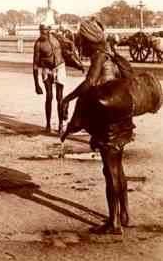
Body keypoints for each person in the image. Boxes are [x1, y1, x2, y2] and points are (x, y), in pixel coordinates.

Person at [61, 17, 134, 235]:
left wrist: (68, 99)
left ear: (88, 39)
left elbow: (91, 82)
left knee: (110, 169)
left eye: (82, 38)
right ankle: (125, 214)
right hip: (122, 116)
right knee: (118, 167)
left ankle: (114, 223)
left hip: (107, 118)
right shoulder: (111, 53)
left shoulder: (99, 55)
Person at [33, 23, 66, 135]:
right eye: (40, 30)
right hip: (46, 70)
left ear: (49, 30)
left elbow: (69, 47)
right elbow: (35, 64)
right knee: (49, 96)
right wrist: (36, 84)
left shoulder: (57, 38)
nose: (42, 32)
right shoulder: (38, 44)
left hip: (59, 68)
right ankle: (48, 125)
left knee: (59, 97)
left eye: (44, 30)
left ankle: (61, 124)